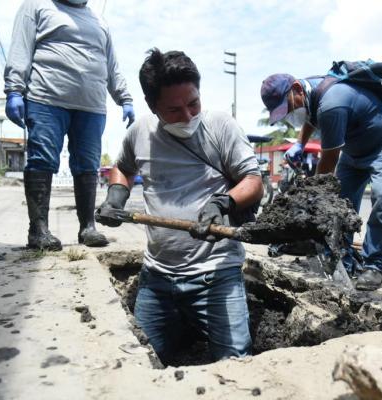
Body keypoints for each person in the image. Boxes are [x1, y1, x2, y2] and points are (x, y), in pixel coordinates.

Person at [95, 49, 263, 364]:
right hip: (157, 278)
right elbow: (123, 168)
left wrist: (222, 202)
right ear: (152, 105)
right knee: (139, 361)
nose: (187, 116)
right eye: (174, 109)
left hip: (216, 276)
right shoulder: (140, 132)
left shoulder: (221, 127)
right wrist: (115, 195)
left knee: (237, 367)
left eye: (193, 103)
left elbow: (253, 182)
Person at [3, 0, 135, 251]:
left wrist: (124, 98)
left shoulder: (99, 22)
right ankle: (38, 230)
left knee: (87, 165)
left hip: (92, 106)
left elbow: (111, 65)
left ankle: (87, 227)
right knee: (42, 160)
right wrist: (14, 90)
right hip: (46, 99)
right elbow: (21, 47)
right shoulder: (37, 6)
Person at [261, 72, 382, 291]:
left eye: (289, 108)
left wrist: (308, 201)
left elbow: (326, 169)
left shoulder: (332, 103)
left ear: (296, 88)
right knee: (341, 202)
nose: (291, 114)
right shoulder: (311, 91)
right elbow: (312, 118)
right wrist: (300, 144)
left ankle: (374, 265)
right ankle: (344, 256)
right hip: (354, 148)